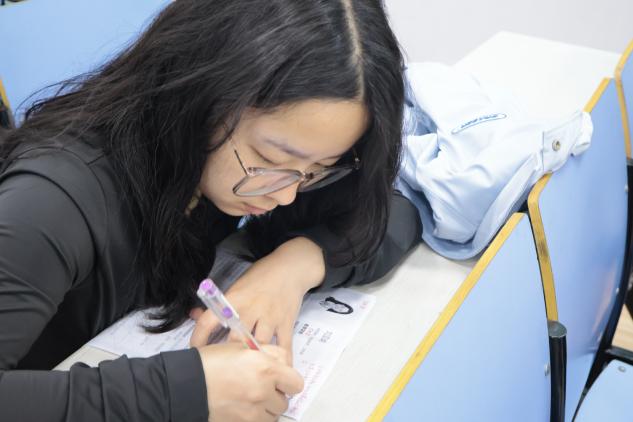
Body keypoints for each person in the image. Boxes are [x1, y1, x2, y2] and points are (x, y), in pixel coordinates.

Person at [0, 0, 421, 421]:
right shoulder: (53, 201)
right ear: (203, 98)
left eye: (318, 170)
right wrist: (186, 392)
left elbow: (394, 214)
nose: (288, 196)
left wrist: (296, 265)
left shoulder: (216, 168)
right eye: (270, 160)